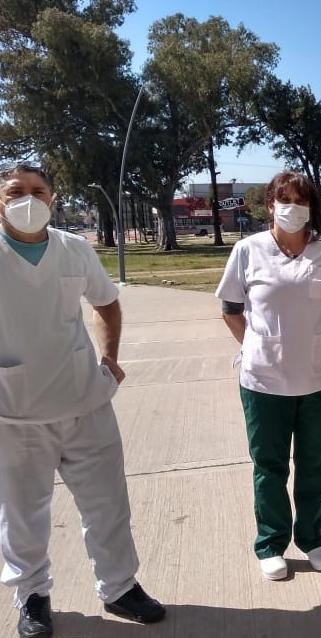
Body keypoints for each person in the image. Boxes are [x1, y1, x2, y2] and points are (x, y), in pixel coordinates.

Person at [0, 164, 165, 638]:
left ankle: (120, 588)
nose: (28, 200)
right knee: (22, 515)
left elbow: (106, 302)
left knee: (108, 505)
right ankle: (32, 596)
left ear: (52, 200)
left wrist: (109, 357)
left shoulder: (74, 249)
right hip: (15, 412)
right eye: (16, 191)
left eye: (38, 191)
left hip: (85, 402)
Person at [215, 171, 321, 581]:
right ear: (270, 204)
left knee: (313, 463)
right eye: (284, 199)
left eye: (301, 201)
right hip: (264, 381)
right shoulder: (247, 250)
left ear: (312, 208)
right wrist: (258, 345)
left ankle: (311, 538)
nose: (293, 208)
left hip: (318, 379)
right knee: (269, 466)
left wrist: (309, 339)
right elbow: (230, 309)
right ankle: (271, 544)